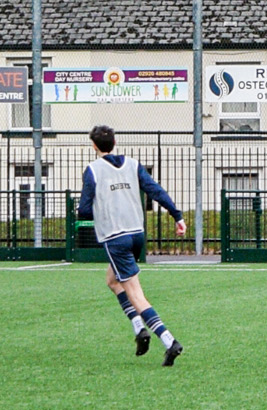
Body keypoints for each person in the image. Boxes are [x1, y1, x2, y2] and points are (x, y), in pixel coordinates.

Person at [77, 125, 187, 362]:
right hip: (137, 234)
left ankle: (169, 341)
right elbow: (155, 191)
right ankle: (139, 328)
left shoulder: (93, 170)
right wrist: (177, 215)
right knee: (112, 281)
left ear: (94, 146)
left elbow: (84, 210)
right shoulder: (133, 164)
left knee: (135, 293)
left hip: (116, 237)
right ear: (114, 143)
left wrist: (102, 208)